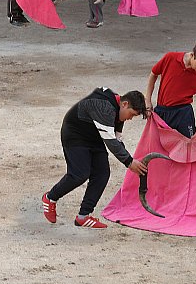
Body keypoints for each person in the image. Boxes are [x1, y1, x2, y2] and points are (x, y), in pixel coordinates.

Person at [42, 88, 148, 228]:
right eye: (132, 114)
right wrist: (129, 162)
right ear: (125, 104)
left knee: (102, 173)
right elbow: (111, 142)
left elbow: (116, 139)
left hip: (94, 137)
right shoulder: (105, 108)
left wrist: (130, 160)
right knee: (79, 174)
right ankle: (50, 198)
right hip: (75, 134)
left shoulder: (118, 110)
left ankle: (83, 216)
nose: (130, 118)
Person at [145, 40, 196, 138]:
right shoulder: (170, 58)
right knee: (157, 146)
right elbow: (154, 74)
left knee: (189, 145)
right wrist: (148, 100)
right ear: (192, 55)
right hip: (162, 111)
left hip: (183, 114)